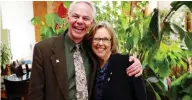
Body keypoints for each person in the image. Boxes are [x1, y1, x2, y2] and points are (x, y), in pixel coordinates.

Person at [28, 1, 143, 100]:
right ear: (68, 18)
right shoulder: (44, 49)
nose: (80, 21)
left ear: (91, 23)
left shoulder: (92, 47)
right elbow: (35, 95)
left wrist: (134, 62)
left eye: (85, 18)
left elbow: (110, 56)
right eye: (75, 16)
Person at [87, 21, 147, 100]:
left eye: (105, 39)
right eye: (97, 39)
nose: (100, 43)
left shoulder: (127, 63)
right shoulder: (90, 65)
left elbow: (141, 97)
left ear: (111, 43)